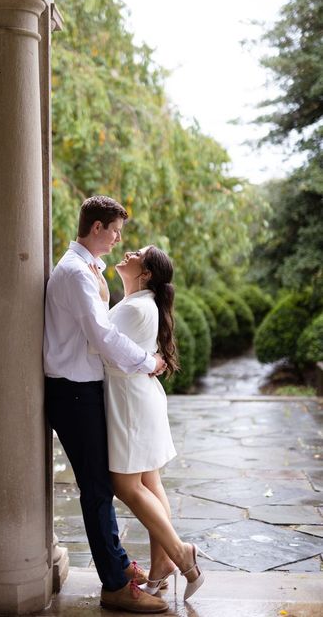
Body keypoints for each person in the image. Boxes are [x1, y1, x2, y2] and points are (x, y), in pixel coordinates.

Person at [44, 196, 169, 614]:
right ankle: (115, 586)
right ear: (96, 228)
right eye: (115, 231)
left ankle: (118, 567)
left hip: (86, 391)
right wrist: (148, 362)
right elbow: (103, 337)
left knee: (102, 488)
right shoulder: (76, 273)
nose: (118, 239)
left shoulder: (89, 269)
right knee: (98, 490)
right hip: (74, 394)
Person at [90, 245, 211, 601]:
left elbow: (99, 344)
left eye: (138, 253)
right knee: (149, 482)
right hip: (139, 399)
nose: (128, 251)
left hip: (130, 404)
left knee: (126, 485)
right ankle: (161, 569)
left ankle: (180, 554)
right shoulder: (139, 305)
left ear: (146, 274)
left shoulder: (135, 307)